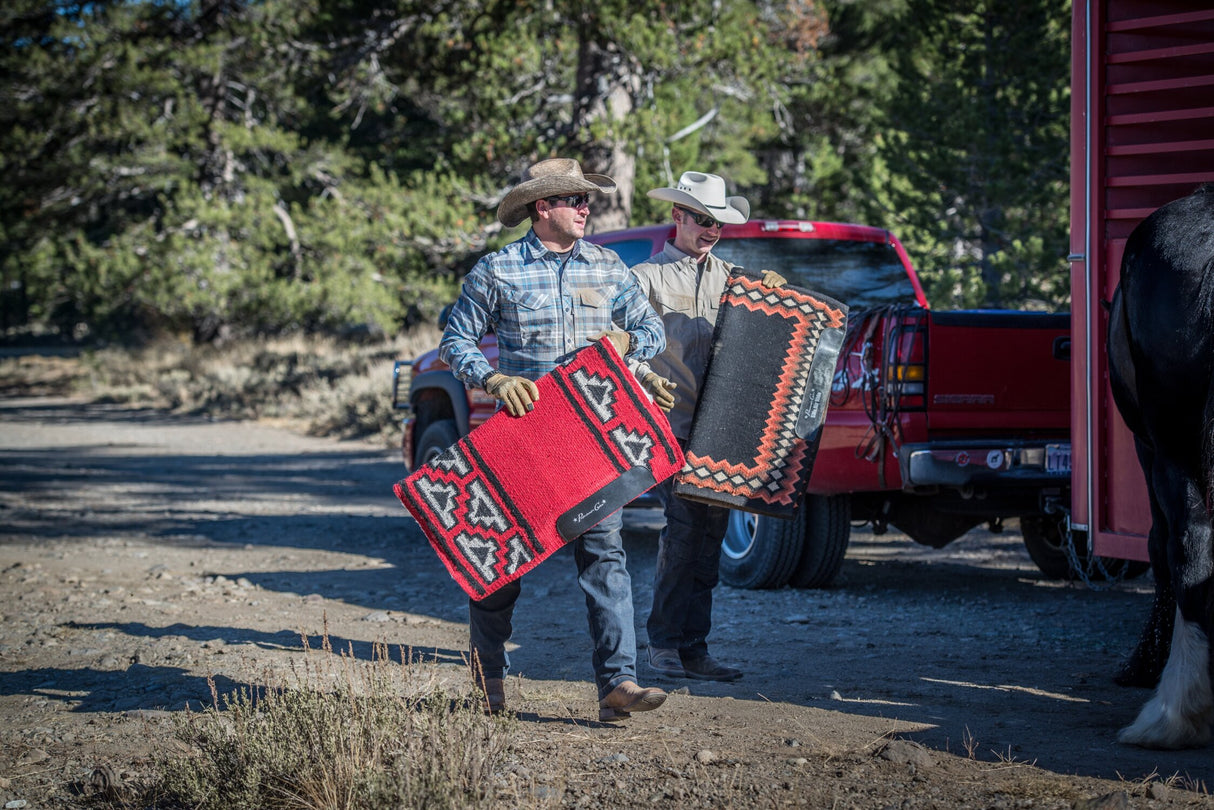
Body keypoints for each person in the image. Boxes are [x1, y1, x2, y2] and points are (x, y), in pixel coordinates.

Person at [439, 157, 672, 721]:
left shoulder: (608, 266)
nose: (587, 209)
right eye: (576, 200)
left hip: (593, 439)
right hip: (521, 438)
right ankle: (486, 679)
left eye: (587, 200)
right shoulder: (496, 271)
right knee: (499, 565)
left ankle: (618, 685)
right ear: (543, 208)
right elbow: (455, 342)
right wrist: (493, 378)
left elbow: (651, 329)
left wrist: (628, 346)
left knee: (605, 557)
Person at [629, 171, 786, 682]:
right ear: (678, 216)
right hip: (672, 428)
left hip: (722, 433)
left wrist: (774, 302)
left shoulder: (737, 281)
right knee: (683, 533)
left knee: (709, 538)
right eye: (702, 219)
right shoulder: (646, 279)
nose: (712, 228)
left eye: (718, 221)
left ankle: (693, 647)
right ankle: (666, 645)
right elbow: (620, 350)